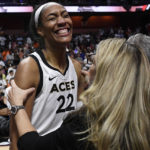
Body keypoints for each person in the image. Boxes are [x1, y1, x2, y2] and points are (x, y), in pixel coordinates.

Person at [8, 34, 150, 150]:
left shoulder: (86, 125)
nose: (85, 70)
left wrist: (17, 106)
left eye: (93, 63)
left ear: (105, 75)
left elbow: (33, 147)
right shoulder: (141, 116)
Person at [9, 2, 83, 150]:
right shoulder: (30, 66)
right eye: (52, 18)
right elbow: (16, 134)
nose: (62, 21)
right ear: (40, 30)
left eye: (65, 15)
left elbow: (77, 120)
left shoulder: (76, 67)